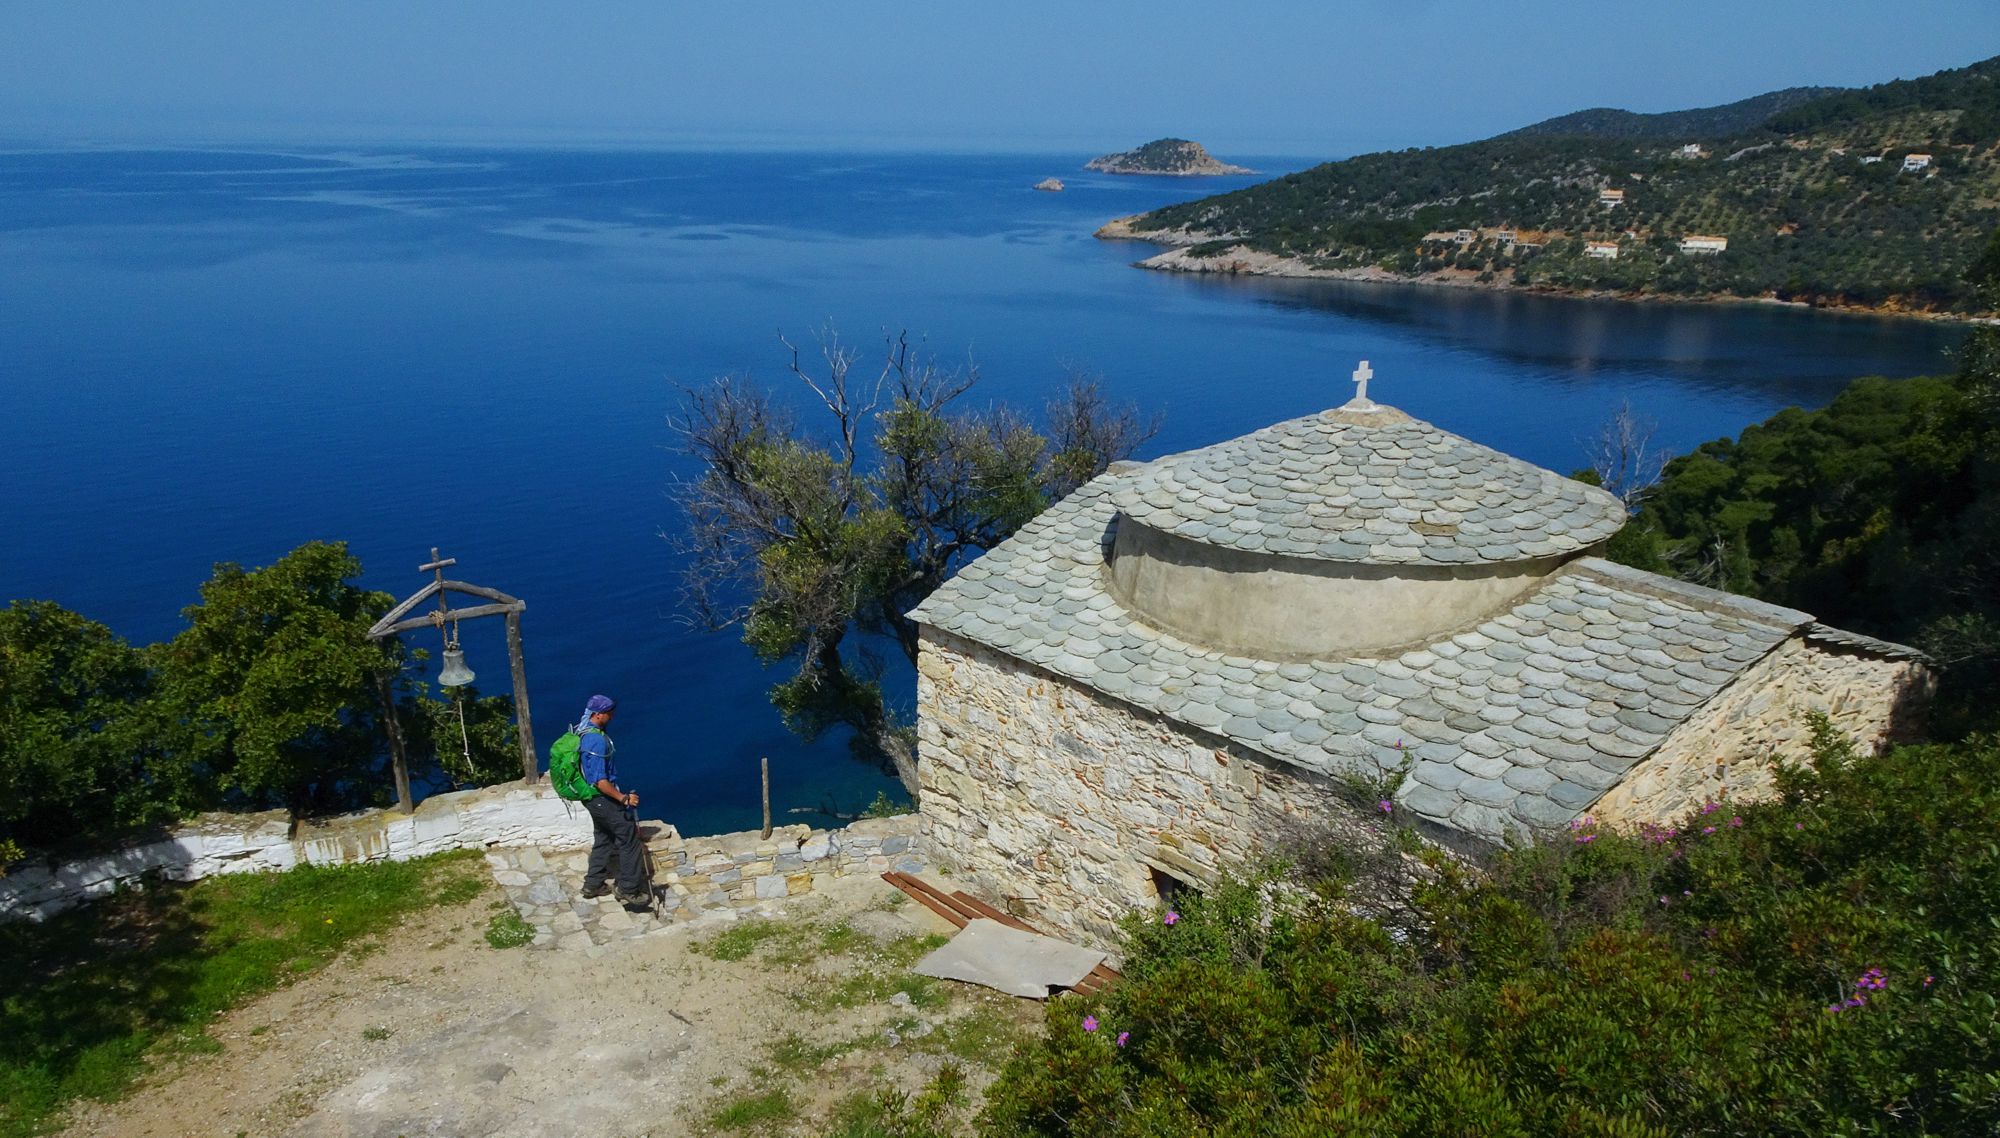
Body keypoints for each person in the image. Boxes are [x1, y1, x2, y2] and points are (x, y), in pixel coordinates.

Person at [575, 694, 647, 907]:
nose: (612, 717)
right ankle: (628, 888)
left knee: (604, 837)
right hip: (601, 798)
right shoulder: (596, 740)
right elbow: (600, 781)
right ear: (598, 715)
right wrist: (623, 798)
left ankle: (593, 884)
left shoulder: (581, 730)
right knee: (629, 839)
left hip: (589, 799)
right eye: (609, 713)